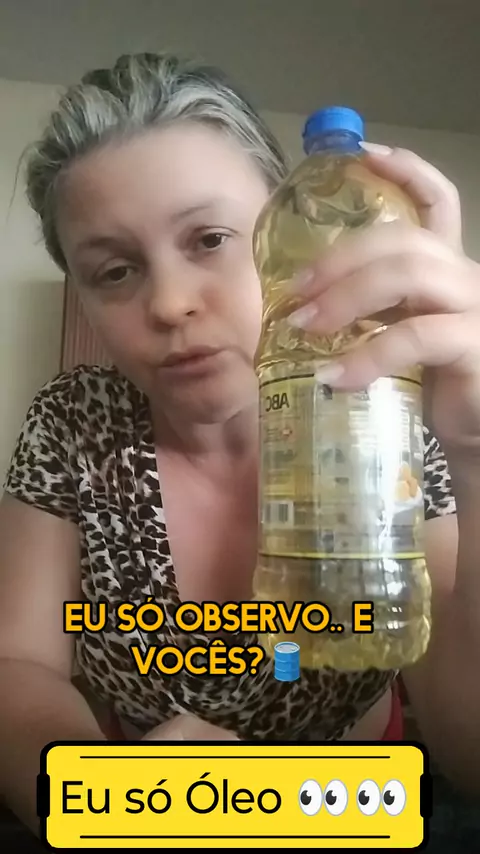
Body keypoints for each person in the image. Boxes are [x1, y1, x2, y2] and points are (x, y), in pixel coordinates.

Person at [1, 52, 479, 834]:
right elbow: (18, 665)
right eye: (115, 271)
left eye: (211, 238)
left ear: (290, 236)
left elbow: (469, 752)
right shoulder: (75, 422)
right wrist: (117, 802)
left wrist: (476, 452)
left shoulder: (385, 419)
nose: (170, 303)